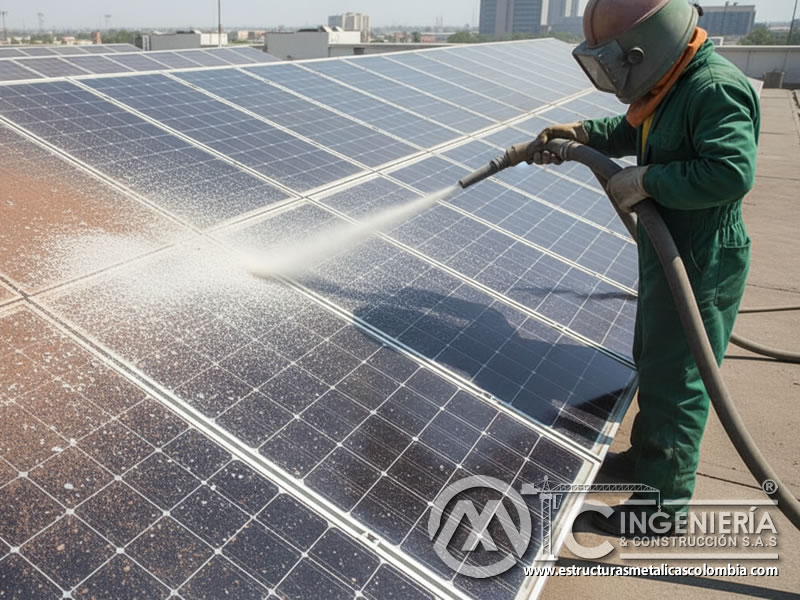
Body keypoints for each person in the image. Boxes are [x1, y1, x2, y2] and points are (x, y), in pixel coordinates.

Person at [506, 0, 760, 535]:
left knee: (679, 381)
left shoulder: (712, 88)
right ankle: (646, 464)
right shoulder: (669, 81)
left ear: (649, 48)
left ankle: (662, 510)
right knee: (653, 358)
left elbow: (730, 172)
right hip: (670, 249)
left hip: (702, 256)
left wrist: (647, 182)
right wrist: (585, 134)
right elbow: (634, 129)